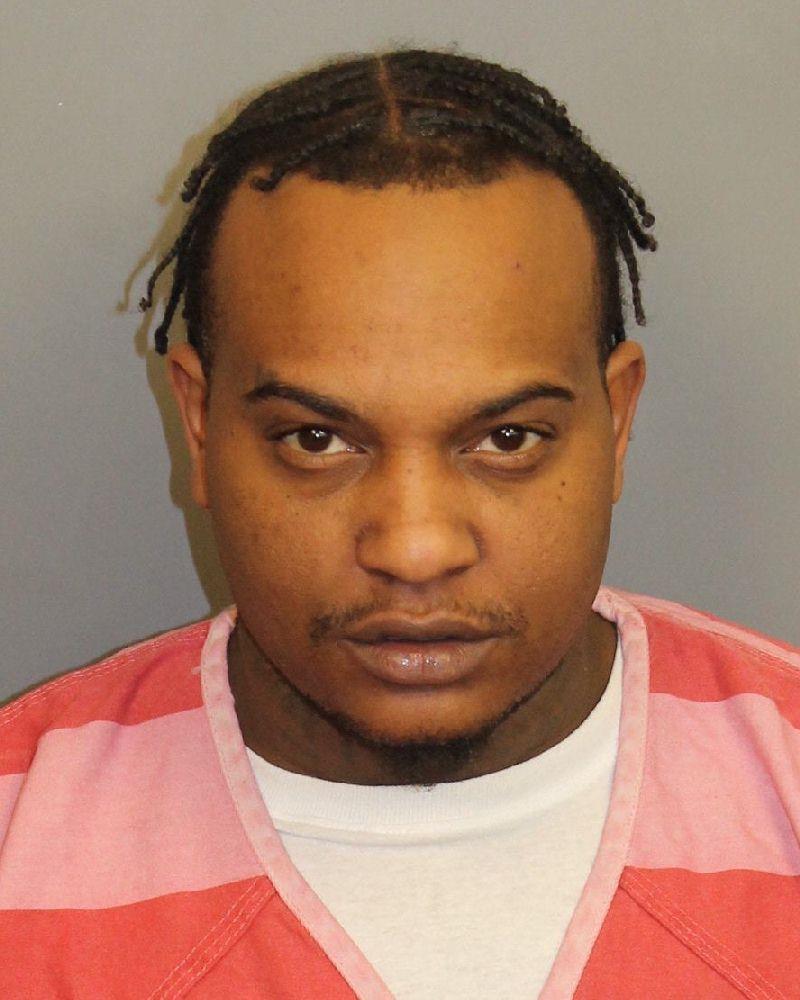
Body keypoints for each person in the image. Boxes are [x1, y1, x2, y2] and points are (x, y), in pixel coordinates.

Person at [0, 47, 797, 1000]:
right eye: (316, 440)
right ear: (200, 428)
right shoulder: (18, 840)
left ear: (616, 422)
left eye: (507, 438)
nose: (416, 550)